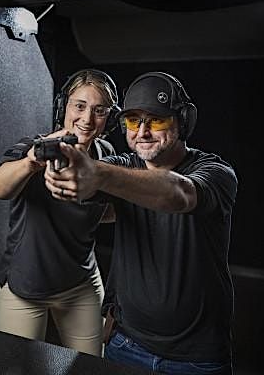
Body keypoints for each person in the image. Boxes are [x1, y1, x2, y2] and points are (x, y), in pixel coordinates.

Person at [44, 72, 238, 374]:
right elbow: (89, 178)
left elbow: (179, 194)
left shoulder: (215, 172)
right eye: (134, 121)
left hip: (196, 357)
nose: (143, 132)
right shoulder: (122, 166)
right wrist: (67, 169)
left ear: (183, 121)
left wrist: (99, 174)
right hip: (126, 344)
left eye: (156, 120)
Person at [0, 69, 120, 356]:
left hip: (80, 283)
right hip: (27, 285)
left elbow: (103, 212)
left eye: (99, 110)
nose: (87, 119)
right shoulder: (34, 147)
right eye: (79, 106)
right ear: (63, 108)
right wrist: (31, 162)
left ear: (109, 117)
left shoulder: (106, 153)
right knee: (20, 366)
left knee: (93, 365)